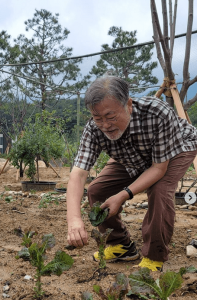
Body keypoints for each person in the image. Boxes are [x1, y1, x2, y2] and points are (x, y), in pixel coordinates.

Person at [66, 76, 197, 271]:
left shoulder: (156, 113)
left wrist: (123, 195)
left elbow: (158, 169)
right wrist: (74, 219)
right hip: (132, 156)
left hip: (176, 148)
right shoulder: (94, 130)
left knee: (159, 190)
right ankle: (121, 245)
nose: (105, 125)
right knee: (97, 190)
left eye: (111, 116)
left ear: (128, 104)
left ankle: (155, 255)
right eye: (98, 118)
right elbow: (77, 175)